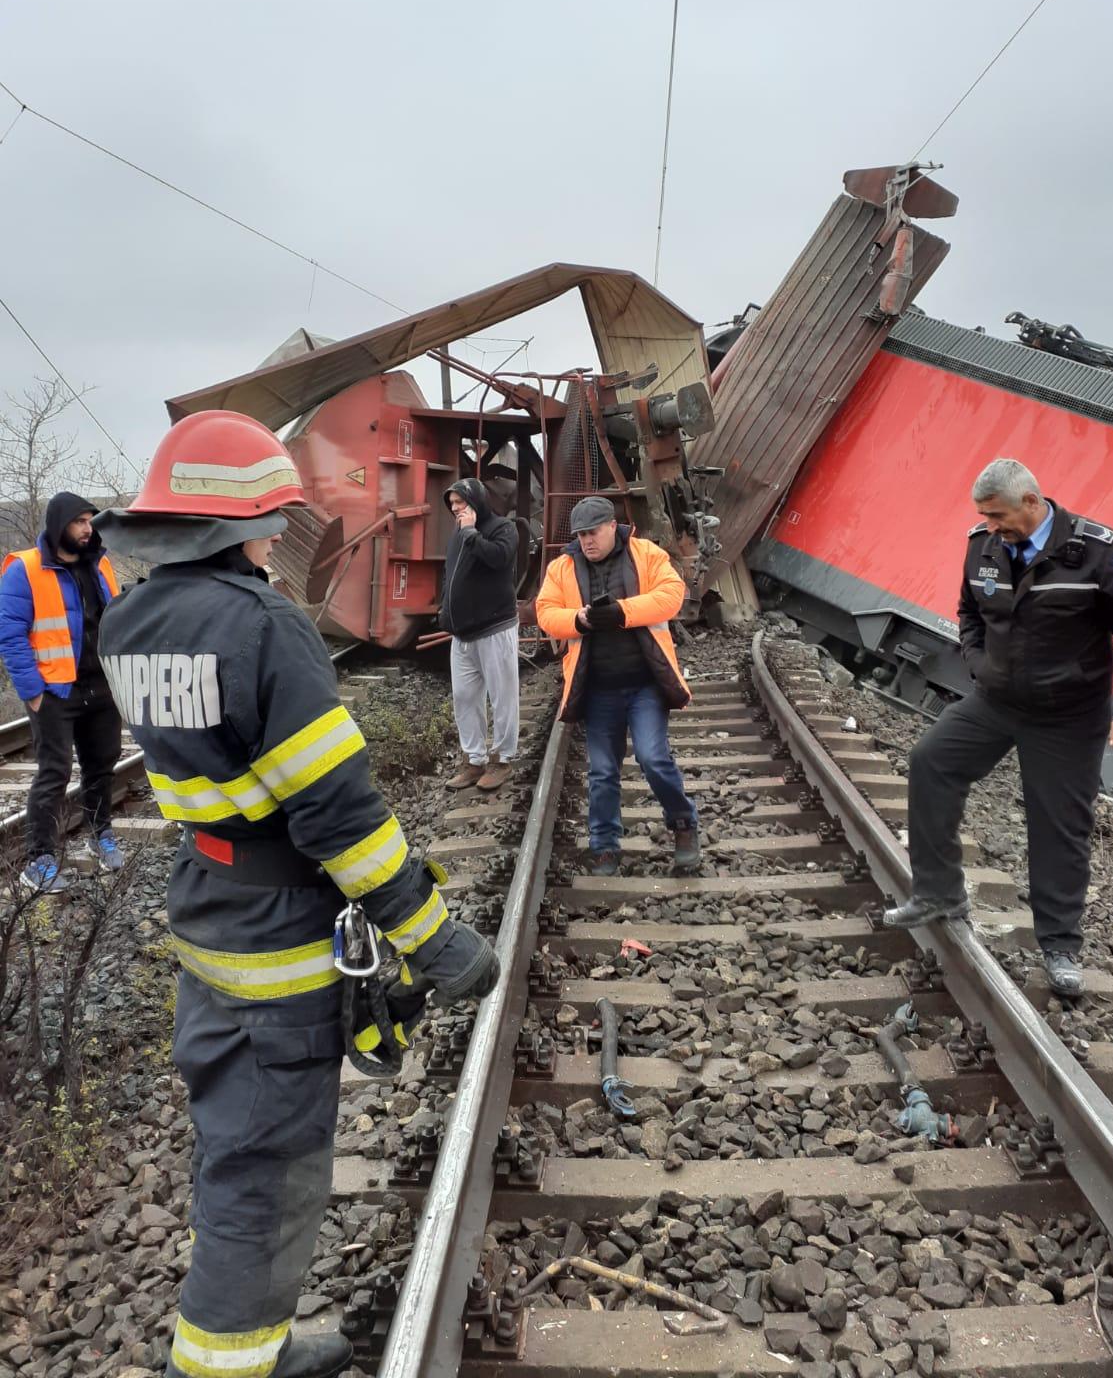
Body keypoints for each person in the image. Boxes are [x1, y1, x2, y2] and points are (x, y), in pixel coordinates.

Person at [94, 410, 499, 1378]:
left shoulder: (130, 618)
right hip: (276, 929)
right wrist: (433, 938)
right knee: (267, 1171)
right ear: (239, 523)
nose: (278, 536)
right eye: (273, 519)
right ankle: (229, 1363)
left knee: (232, 1139)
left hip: (208, 909)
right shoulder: (262, 624)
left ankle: (248, 1343)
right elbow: (337, 815)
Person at [884, 458, 1113, 998]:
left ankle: (1060, 946)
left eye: (997, 516)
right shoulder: (983, 546)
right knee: (931, 762)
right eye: (983, 517)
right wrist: (978, 664)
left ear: (1032, 502)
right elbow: (969, 612)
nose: (990, 526)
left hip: (1069, 713)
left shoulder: (1099, 552)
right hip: (998, 700)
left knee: (1058, 824)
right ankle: (939, 893)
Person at [535, 496, 700, 876]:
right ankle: (604, 847)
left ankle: (684, 824)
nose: (587, 541)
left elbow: (672, 595)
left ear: (612, 526)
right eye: (581, 535)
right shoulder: (562, 567)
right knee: (602, 771)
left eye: (593, 532)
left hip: (644, 685)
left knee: (653, 758)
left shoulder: (646, 554)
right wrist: (578, 620)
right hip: (598, 689)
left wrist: (622, 612)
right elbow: (546, 612)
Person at [0, 492, 125, 891]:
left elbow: (117, 620)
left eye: (90, 521)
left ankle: (100, 834)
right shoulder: (25, 568)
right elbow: (11, 635)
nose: (88, 529)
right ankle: (39, 859)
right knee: (54, 772)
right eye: (79, 521)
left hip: (100, 685)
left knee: (102, 764)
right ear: (59, 525)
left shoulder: (100, 563)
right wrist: (33, 691)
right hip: (55, 690)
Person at [439, 478, 520, 792]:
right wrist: (445, 609)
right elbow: (451, 574)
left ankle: (502, 759)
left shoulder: (503, 528)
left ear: (477, 500)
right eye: (452, 503)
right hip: (462, 635)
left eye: (460, 502)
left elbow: (499, 558)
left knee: (502, 696)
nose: (455, 508)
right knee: (464, 698)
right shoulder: (458, 534)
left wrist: (472, 533)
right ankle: (474, 761)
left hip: (494, 628)